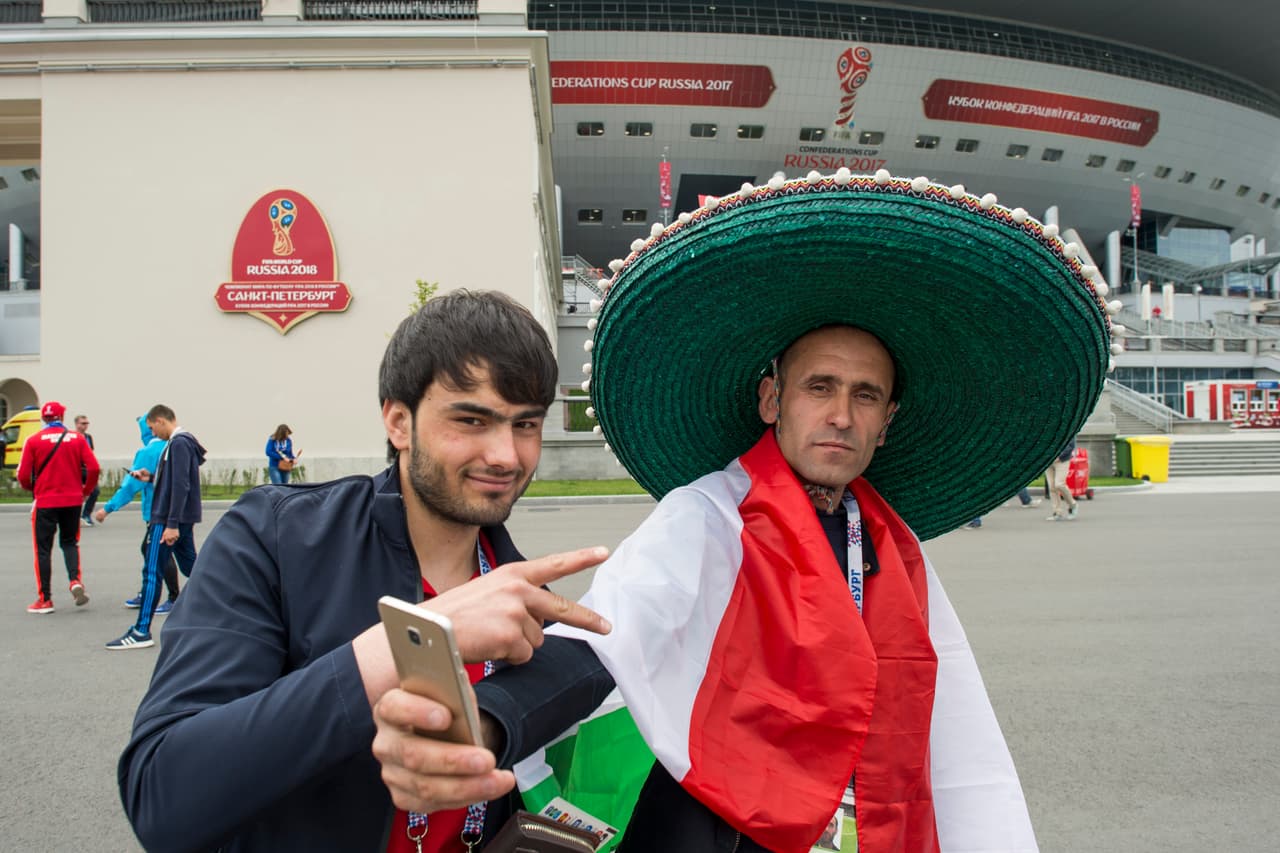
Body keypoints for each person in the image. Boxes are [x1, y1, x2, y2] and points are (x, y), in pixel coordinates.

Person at [404, 172, 1115, 852]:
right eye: (820, 386)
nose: (840, 414)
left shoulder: (895, 552)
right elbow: (606, 643)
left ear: (888, 419)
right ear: (772, 399)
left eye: (866, 395)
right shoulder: (709, 518)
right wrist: (486, 725)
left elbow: (956, 747)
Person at [118, 290, 614, 851]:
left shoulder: (524, 598)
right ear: (399, 422)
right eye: (472, 419)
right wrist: (403, 644)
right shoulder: (276, 537)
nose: (506, 455)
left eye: (526, 425)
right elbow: (162, 794)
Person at [105, 404, 206, 649]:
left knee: (152, 573)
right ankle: (228, 608)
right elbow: (174, 479)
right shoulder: (181, 443)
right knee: (196, 568)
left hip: (166, 519)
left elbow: (181, 485)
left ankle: (141, 631)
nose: (152, 434)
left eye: (152, 428)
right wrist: (149, 478)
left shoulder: (178, 443)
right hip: (179, 518)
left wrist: (171, 524)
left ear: (160, 420)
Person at [17, 401, 100, 613]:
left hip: (45, 501)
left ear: (43, 419)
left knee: (43, 550)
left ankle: (45, 599)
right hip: (72, 500)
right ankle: (75, 581)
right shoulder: (77, 439)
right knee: (70, 542)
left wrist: (33, 489)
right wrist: (85, 490)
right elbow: (93, 467)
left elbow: (23, 475)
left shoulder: (33, 441)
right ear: (62, 417)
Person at [93, 415, 181, 614]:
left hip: (157, 511)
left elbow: (130, 486)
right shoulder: (173, 445)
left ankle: (173, 597)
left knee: (159, 554)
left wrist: (107, 509)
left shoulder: (147, 451)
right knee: (159, 551)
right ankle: (151, 593)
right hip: (174, 510)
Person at [74, 414, 102, 526]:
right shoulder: (73, 437)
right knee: (74, 493)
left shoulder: (88, 437)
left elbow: (90, 452)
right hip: (75, 469)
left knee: (95, 491)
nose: (85, 426)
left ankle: (86, 514)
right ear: (77, 424)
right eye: (83, 423)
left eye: (86, 423)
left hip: (86, 469)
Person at [1045, 437, 1080, 521]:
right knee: (1052, 487)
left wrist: (1059, 457)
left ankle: (1073, 504)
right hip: (1048, 461)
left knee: (1059, 484)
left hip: (1062, 460)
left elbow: (1070, 445)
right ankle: (1057, 512)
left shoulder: (1067, 427)